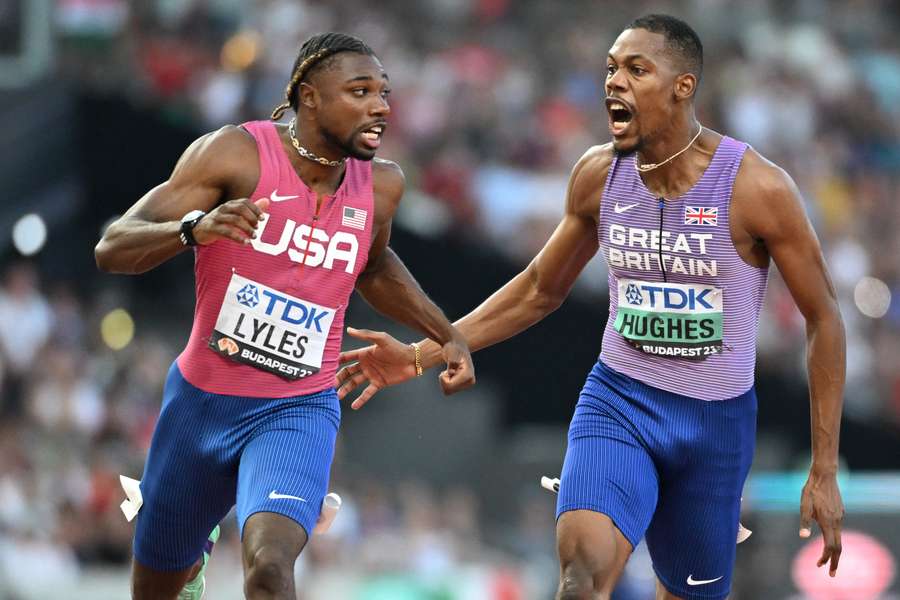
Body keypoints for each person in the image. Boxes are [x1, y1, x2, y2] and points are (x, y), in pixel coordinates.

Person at [335, 14, 846, 600]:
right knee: (581, 576)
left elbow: (825, 318)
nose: (614, 82)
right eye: (610, 68)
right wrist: (425, 353)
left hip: (714, 425)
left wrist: (825, 467)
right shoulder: (598, 175)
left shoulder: (758, 188)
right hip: (619, 402)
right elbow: (538, 289)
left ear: (682, 86)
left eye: (636, 69)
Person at [95, 32, 475, 600]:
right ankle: (191, 563)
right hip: (201, 405)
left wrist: (446, 334)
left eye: (385, 93)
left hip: (297, 410)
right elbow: (112, 247)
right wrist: (191, 230)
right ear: (309, 96)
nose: (381, 106)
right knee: (154, 589)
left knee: (270, 570)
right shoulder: (234, 154)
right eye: (360, 90)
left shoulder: (384, 186)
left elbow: (372, 266)